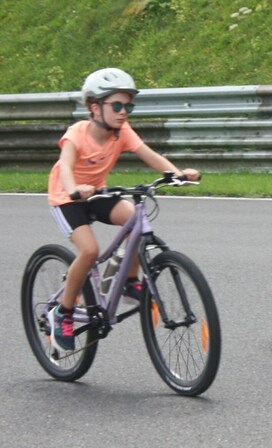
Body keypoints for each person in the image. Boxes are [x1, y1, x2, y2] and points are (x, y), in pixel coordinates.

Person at [47, 68, 200, 352]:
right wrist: (74, 188)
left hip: (96, 193)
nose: (124, 111)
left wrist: (178, 174)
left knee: (135, 218)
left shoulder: (123, 132)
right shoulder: (76, 135)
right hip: (66, 197)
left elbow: (150, 155)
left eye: (128, 105)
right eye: (117, 105)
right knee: (89, 251)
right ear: (95, 107)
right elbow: (66, 168)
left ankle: (130, 280)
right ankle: (63, 313)